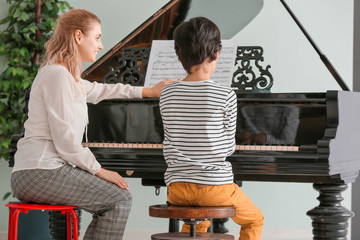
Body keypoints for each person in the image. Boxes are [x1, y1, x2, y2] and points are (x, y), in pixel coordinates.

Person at [11, 9, 171, 240]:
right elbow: (66, 142)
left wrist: (147, 91)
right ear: (78, 36)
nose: (100, 44)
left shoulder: (67, 76)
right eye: (96, 37)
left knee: (114, 199)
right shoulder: (58, 76)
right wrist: (100, 170)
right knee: (119, 199)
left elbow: (101, 89)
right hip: (39, 172)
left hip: (41, 171)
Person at [159, 17, 264, 240]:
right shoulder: (225, 95)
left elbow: (170, 137)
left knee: (198, 220)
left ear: (179, 56)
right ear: (216, 53)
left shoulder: (166, 93)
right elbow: (227, 148)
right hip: (215, 189)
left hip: (177, 190)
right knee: (255, 219)